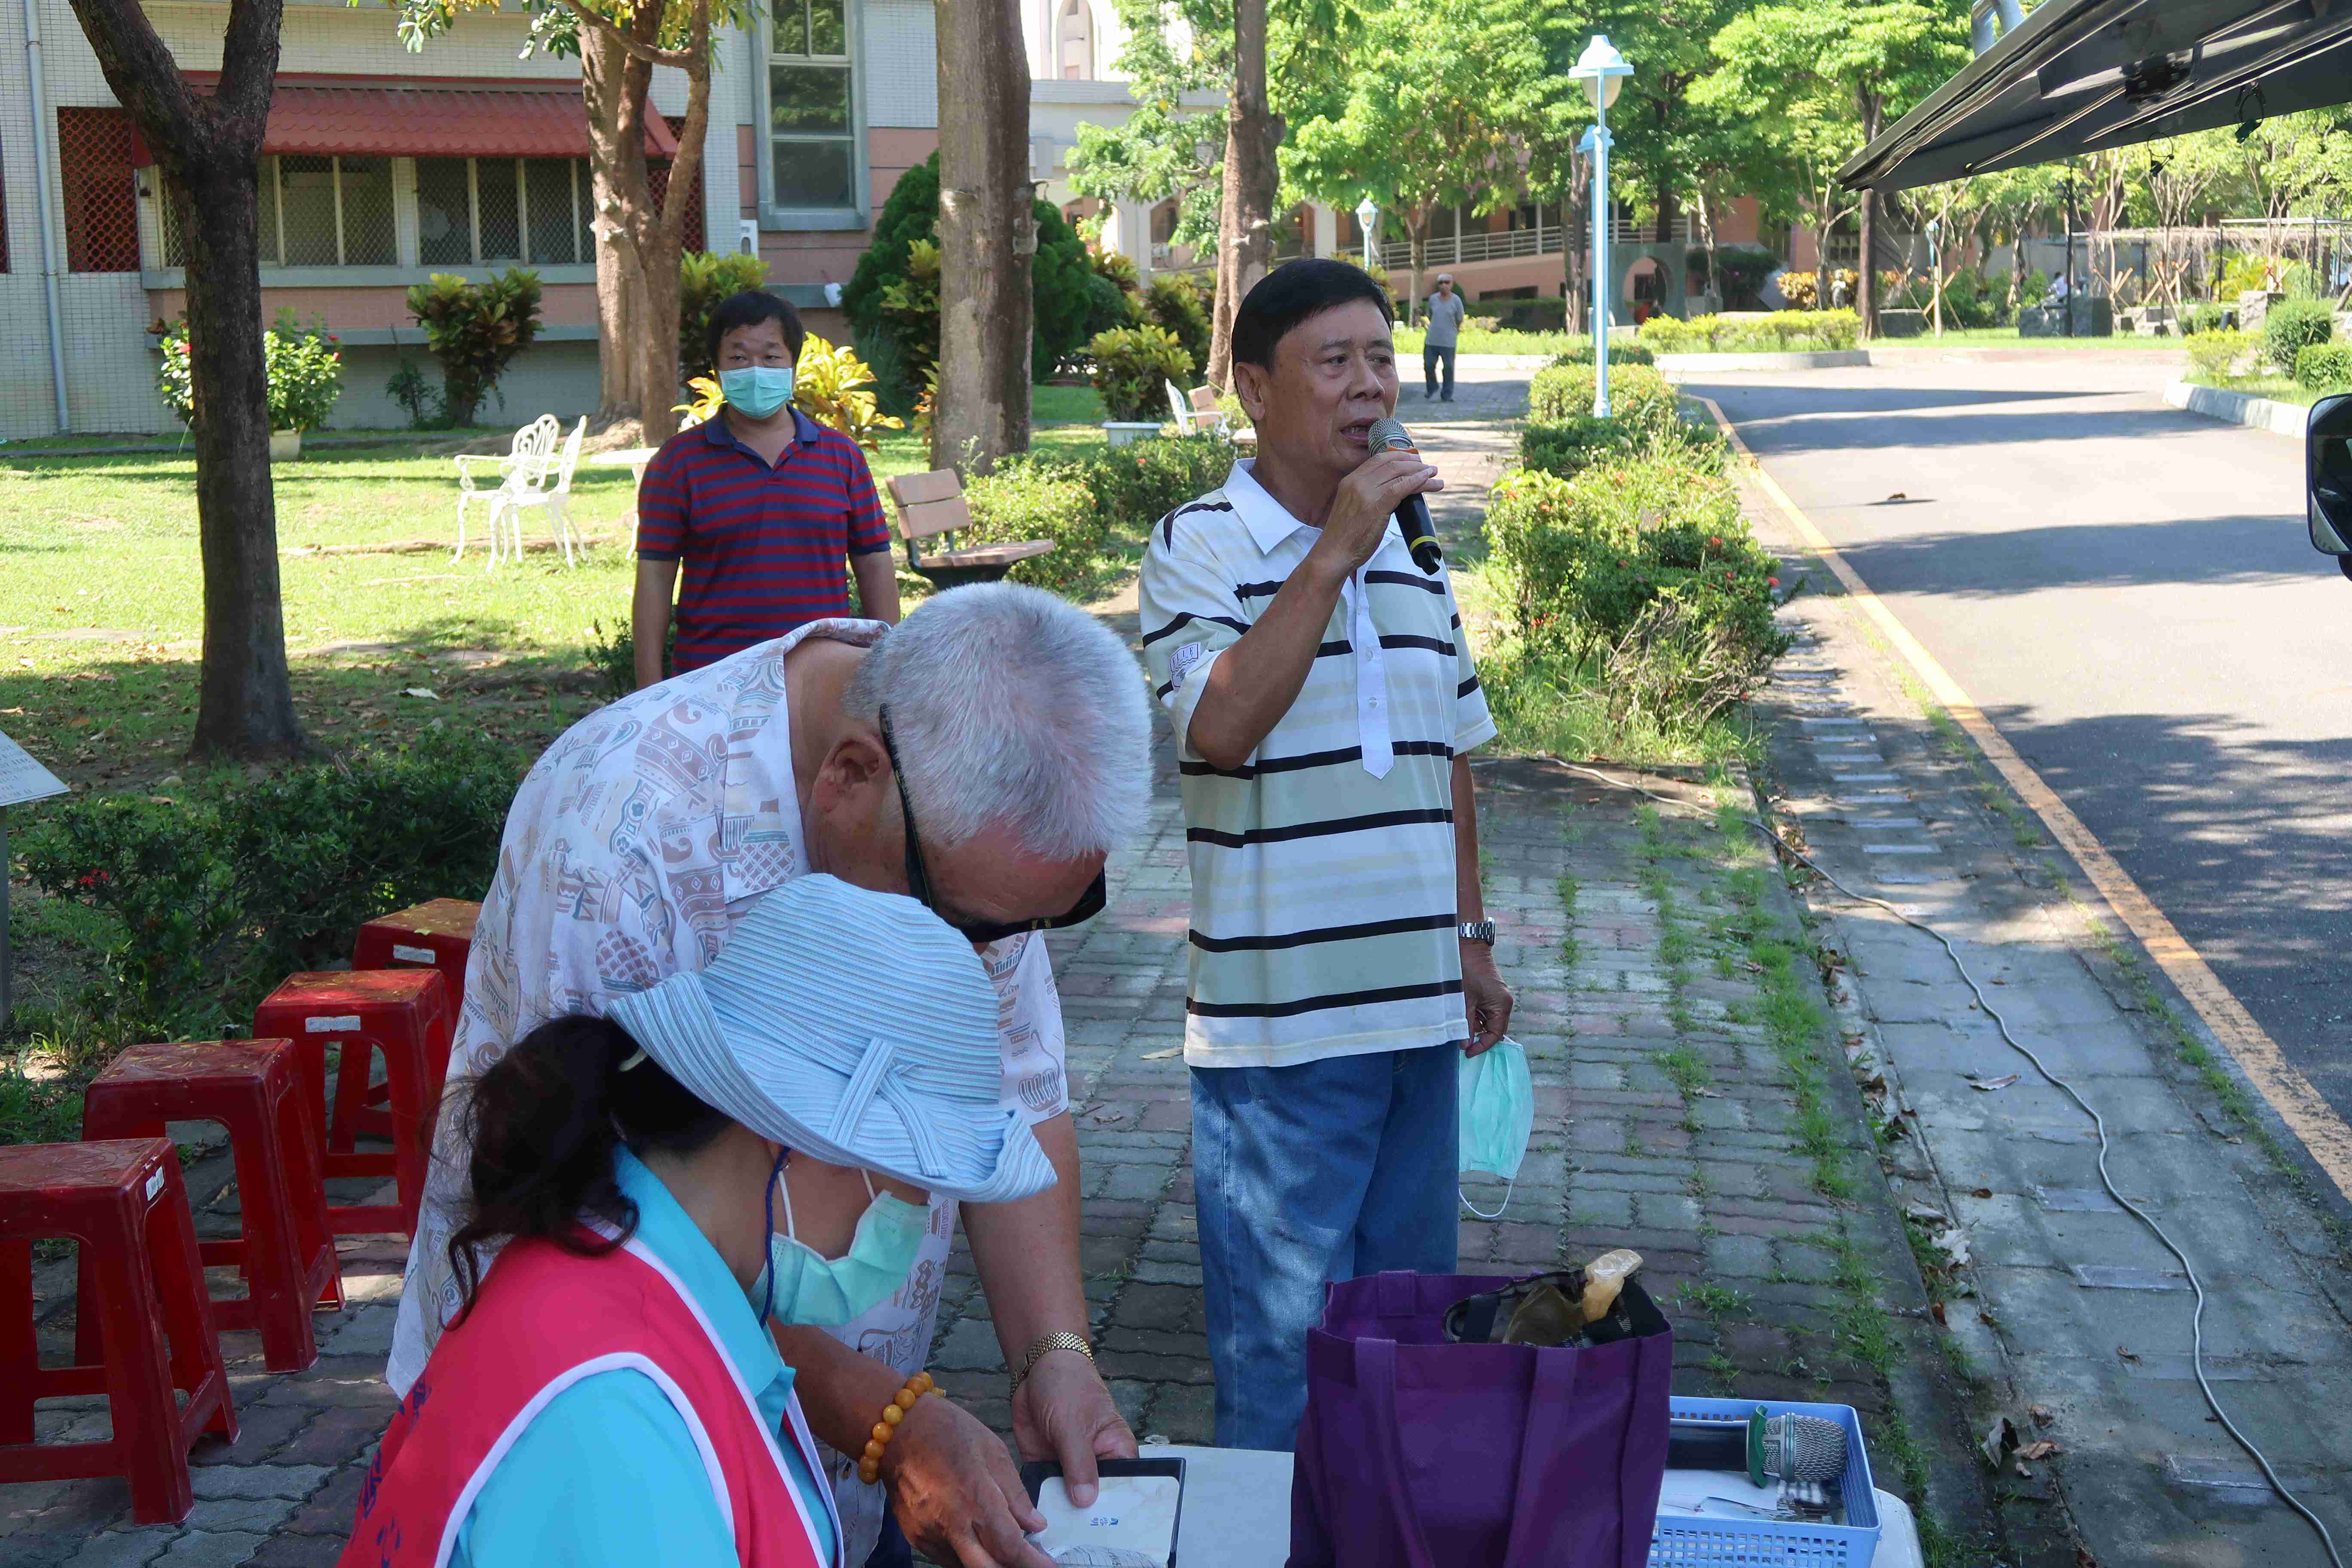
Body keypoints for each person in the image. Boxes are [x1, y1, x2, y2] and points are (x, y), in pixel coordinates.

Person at [385, 585, 1152, 1568]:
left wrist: (1056, 1356)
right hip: (642, 1424)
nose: (918, 1211)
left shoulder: (962, 787)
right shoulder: (619, 832)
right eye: (905, 1163)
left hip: (799, 1454)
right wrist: (892, 1424)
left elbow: (1019, 1094)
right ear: (851, 775)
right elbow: (588, 1228)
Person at [342, 876, 1063, 1568]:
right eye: (916, 1184)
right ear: (804, 1141)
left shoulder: (631, 1270)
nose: (915, 1219)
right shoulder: (615, 1416)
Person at [1135, 258, 1514, 1452]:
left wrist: (1472, 941)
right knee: (1285, 1373)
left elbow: (1450, 747)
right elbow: (1222, 727)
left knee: (1404, 1357)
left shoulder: (1416, 550)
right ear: (1254, 387)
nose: (1369, 389)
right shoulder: (1196, 546)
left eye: (1382, 359)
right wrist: (1333, 553)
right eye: (1333, 362)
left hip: (1416, 1020)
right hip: (1282, 1034)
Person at [633, 290, 900, 690]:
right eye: (739, 358)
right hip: (712, 684)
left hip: (823, 682)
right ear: (717, 369)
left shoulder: (842, 458)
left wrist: (889, 670)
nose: (755, 369)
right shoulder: (677, 464)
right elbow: (654, 581)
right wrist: (648, 691)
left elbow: (875, 563)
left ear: (792, 366)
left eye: (771, 356)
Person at [1421, 272, 1466, 401]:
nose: (1444, 285)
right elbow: (1430, 316)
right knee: (1429, 365)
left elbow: (1459, 319)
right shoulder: (1433, 299)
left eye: (1447, 282)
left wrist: (1453, 331)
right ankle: (1432, 388)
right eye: (1441, 282)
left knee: (1449, 369)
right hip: (1432, 340)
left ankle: (1447, 395)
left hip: (1449, 342)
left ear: (1452, 284)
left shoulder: (1456, 300)